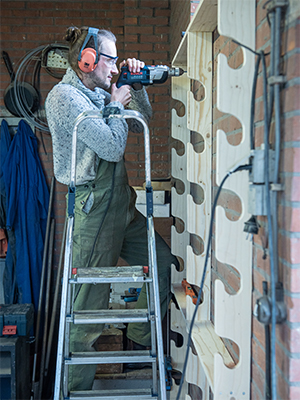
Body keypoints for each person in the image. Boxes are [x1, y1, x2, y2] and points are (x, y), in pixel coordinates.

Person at [45, 26, 178, 392]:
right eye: (111, 59)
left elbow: (142, 122)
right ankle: (76, 389)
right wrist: (117, 104)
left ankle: (136, 337)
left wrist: (135, 87)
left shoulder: (97, 93)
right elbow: (111, 148)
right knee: (87, 311)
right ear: (86, 61)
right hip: (94, 206)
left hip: (121, 203)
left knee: (162, 265)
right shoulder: (66, 98)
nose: (116, 67)